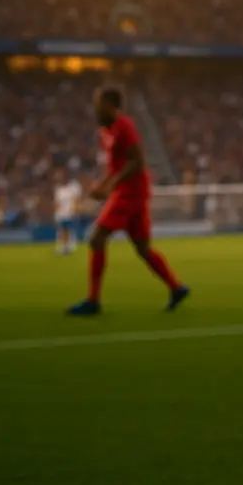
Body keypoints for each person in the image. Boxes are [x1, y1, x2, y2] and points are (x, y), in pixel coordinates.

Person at [66, 87, 189, 316]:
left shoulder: (125, 126)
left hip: (131, 193)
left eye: (99, 103)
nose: (95, 108)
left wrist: (111, 187)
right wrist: (102, 186)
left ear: (111, 106)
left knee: (97, 238)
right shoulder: (106, 130)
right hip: (128, 191)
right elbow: (117, 166)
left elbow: (137, 162)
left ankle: (93, 301)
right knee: (142, 248)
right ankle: (176, 287)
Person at [53, 168, 84, 255]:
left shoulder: (74, 186)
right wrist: (56, 213)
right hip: (61, 214)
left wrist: (75, 209)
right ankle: (61, 247)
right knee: (61, 231)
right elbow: (57, 202)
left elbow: (77, 199)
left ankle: (69, 247)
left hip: (70, 213)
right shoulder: (58, 189)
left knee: (70, 230)